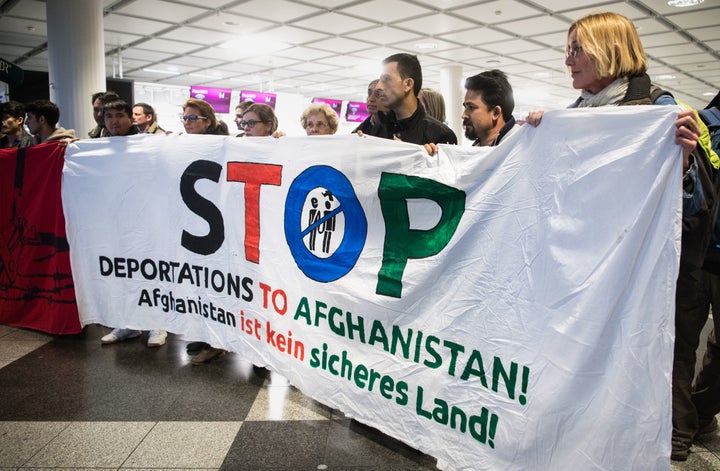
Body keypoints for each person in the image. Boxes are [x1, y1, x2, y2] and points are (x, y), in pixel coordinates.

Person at [523, 12, 717, 462]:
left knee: (643, 361)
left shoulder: (657, 108)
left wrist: (683, 165)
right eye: (568, 48)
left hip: (638, 273)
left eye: (577, 48)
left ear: (610, 49)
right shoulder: (575, 114)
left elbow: (695, 206)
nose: (567, 59)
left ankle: (657, 443)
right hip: (584, 272)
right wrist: (539, 136)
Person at [373, 53, 457, 146]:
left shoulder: (440, 135)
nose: (378, 87)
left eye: (386, 79)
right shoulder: (376, 130)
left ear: (408, 84)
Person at [462, 70, 519, 147]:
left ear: (496, 113)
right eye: (465, 107)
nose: (463, 115)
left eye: (471, 107)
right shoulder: (476, 148)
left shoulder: (520, 145)